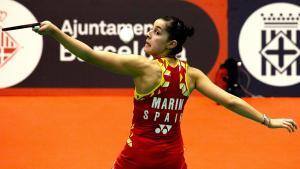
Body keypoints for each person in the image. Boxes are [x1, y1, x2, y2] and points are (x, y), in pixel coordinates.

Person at [33, 16, 297, 169]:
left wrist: (56, 33)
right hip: (171, 159)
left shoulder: (143, 67)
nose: (149, 35)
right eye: (151, 29)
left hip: (136, 158)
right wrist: (267, 121)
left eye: (156, 32)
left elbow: (89, 56)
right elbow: (229, 100)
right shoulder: (191, 74)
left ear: (171, 43)